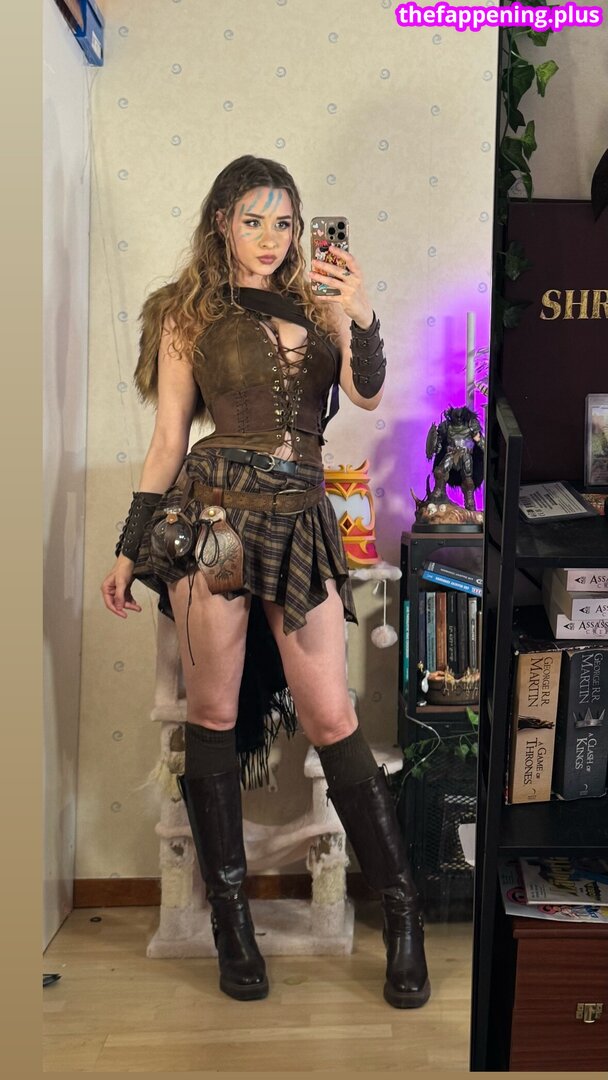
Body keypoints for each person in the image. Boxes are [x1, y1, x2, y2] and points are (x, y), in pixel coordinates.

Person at [101, 155, 430, 1009]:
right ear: (222, 222)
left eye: (284, 222)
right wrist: (129, 549)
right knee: (212, 714)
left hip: (299, 519)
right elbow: (169, 441)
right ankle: (232, 925)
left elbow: (365, 393)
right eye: (253, 220)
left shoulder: (322, 304)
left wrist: (360, 311)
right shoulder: (186, 312)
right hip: (213, 522)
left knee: (331, 716)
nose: (270, 237)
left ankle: (403, 916)